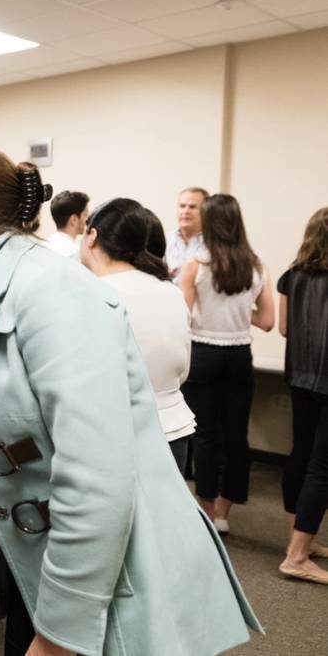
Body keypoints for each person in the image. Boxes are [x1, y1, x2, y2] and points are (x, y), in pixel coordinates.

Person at [0, 142, 261, 656]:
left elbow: (96, 477)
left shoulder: (55, 295)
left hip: (114, 581)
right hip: (53, 565)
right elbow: (6, 432)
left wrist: (59, 635)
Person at [180, 194, 274, 533]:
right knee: (236, 435)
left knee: (204, 435)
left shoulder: (196, 266)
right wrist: (235, 313)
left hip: (203, 354)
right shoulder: (256, 266)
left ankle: (206, 508)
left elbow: (183, 318)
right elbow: (266, 321)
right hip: (238, 356)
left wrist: (214, 313)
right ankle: (224, 513)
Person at [80, 199, 196, 471]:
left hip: (112, 435)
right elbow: (182, 370)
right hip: (172, 430)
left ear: (92, 236)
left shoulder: (89, 293)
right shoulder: (171, 291)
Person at [277, 207, 328, 584]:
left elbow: (283, 328)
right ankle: (297, 557)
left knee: (301, 455)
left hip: (299, 376)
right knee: (322, 468)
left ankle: (298, 539)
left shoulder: (291, 275)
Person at [166, 187, 208, 281]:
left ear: (206, 211)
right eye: (182, 206)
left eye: (192, 207)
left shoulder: (214, 244)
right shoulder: (165, 240)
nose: (185, 211)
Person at [44, 190, 88, 259]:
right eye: (85, 214)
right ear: (74, 219)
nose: (87, 219)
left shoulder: (43, 247)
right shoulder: (77, 254)